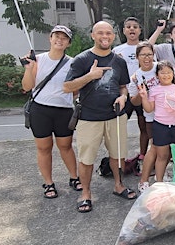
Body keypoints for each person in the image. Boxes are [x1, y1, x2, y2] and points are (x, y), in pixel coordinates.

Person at [63, 21, 136, 213]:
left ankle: (118, 185)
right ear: (93, 36)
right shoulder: (82, 59)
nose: (105, 36)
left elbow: (123, 86)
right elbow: (67, 87)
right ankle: (85, 193)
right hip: (88, 117)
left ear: (114, 36)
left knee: (118, 154)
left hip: (115, 116)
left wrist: (123, 96)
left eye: (109, 33)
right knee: (86, 158)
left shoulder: (119, 61)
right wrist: (90, 76)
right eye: (100, 33)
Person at [21, 25, 81, 199]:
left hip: (63, 110)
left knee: (66, 146)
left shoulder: (72, 63)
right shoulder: (36, 59)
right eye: (56, 36)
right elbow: (26, 87)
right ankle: (48, 183)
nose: (59, 40)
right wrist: (28, 68)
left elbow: (75, 88)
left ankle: (74, 177)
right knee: (44, 147)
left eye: (64, 37)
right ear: (50, 38)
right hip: (40, 109)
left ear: (68, 42)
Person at [127, 42, 175, 192]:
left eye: (149, 54)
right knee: (155, 149)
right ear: (137, 57)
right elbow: (133, 101)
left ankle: (160, 177)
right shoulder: (136, 77)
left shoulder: (161, 66)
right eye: (143, 55)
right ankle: (144, 180)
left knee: (166, 150)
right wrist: (142, 95)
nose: (147, 58)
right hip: (153, 118)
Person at [138, 60, 175, 185]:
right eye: (162, 73)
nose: (166, 75)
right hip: (161, 126)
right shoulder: (154, 90)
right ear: (157, 75)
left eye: (169, 72)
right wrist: (144, 97)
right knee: (162, 156)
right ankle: (159, 183)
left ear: (173, 74)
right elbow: (149, 109)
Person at [112, 17, 147, 165]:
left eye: (135, 26)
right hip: (124, 93)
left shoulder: (146, 48)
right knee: (119, 127)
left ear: (140, 30)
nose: (132, 29)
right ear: (124, 31)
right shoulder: (117, 50)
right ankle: (120, 157)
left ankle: (143, 156)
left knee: (144, 125)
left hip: (142, 93)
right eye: (128, 27)